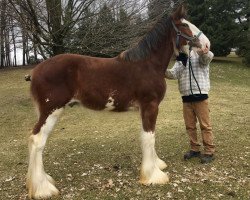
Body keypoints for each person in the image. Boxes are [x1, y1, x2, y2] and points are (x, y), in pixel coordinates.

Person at [165, 47, 215, 163]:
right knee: (190, 126)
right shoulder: (181, 58)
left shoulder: (200, 53)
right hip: (186, 98)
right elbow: (173, 74)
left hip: (200, 96)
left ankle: (209, 151)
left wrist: (204, 52)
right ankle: (195, 149)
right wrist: (161, 69)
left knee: (205, 126)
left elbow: (207, 59)